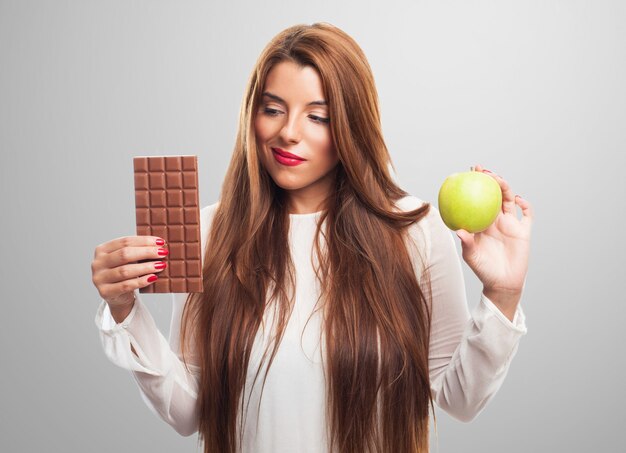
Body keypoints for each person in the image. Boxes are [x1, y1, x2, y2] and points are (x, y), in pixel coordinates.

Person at [91, 22, 533, 453]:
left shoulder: (414, 231)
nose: (289, 132)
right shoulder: (210, 232)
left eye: (317, 116)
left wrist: (502, 291)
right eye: (273, 109)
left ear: (350, 127)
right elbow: (189, 411)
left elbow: (459, 400)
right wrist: (125, 311)